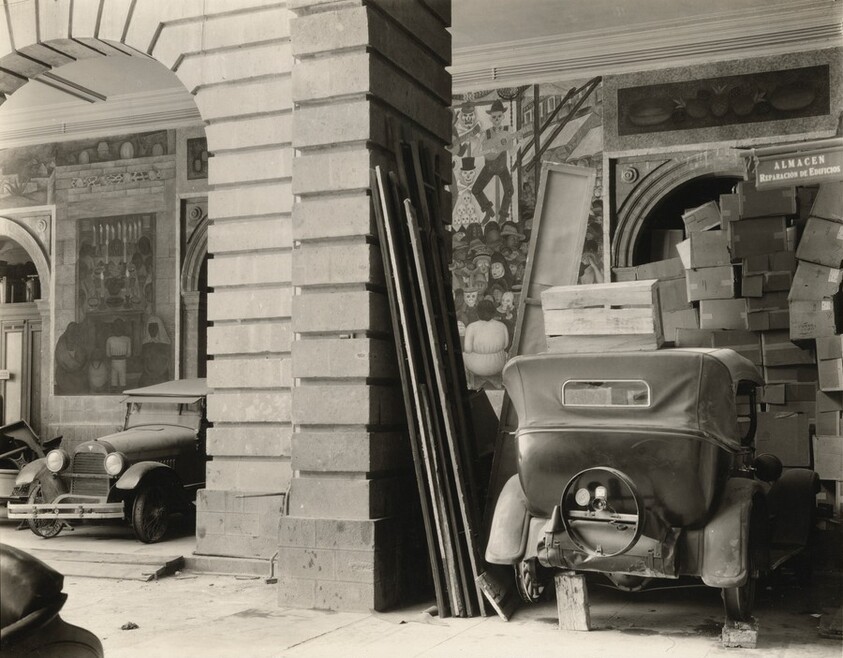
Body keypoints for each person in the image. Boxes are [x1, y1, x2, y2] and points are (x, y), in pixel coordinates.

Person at [462, 299, 510, 389]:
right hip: (498, 364)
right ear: (494, 312)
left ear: (477, 312)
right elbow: (506, 345)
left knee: (462, 354)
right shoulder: (502, 326)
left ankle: (469, 384)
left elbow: (467, 349)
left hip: (476, 366)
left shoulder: (471, 327)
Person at [139, 315, 171, 386]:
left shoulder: (165, 344)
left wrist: (159, 374)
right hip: (148, 376)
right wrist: (149, 373)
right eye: (150, 327)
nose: (152, 330)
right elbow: (143, 362)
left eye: (155, 327)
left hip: (162, 375)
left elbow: (168, 361)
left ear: (159, 328)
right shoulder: (145, 344)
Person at [106, 319, 132, 391]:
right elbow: (108, 354)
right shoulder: (109, 339)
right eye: (116, 325)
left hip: (123, 363)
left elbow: (128, 354)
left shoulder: (127, 339)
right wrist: (118, 356)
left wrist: (117, 356)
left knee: (123, 382)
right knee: (113, 382)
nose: (118, 327)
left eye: (120, 325)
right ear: (113, 327)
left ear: (123, 327)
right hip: (113, 364)